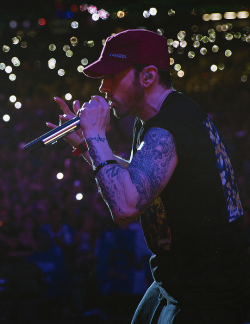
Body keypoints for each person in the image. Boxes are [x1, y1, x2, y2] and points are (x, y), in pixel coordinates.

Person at [47, 29, 250, 323]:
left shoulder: (169, 128)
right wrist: (86, 143)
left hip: (208, 294)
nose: (103, 88)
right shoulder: (158, 117)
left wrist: (96, 134)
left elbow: (126, 207)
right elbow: (140, 178)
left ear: (148, 76)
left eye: (113, 76)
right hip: (178, 279)